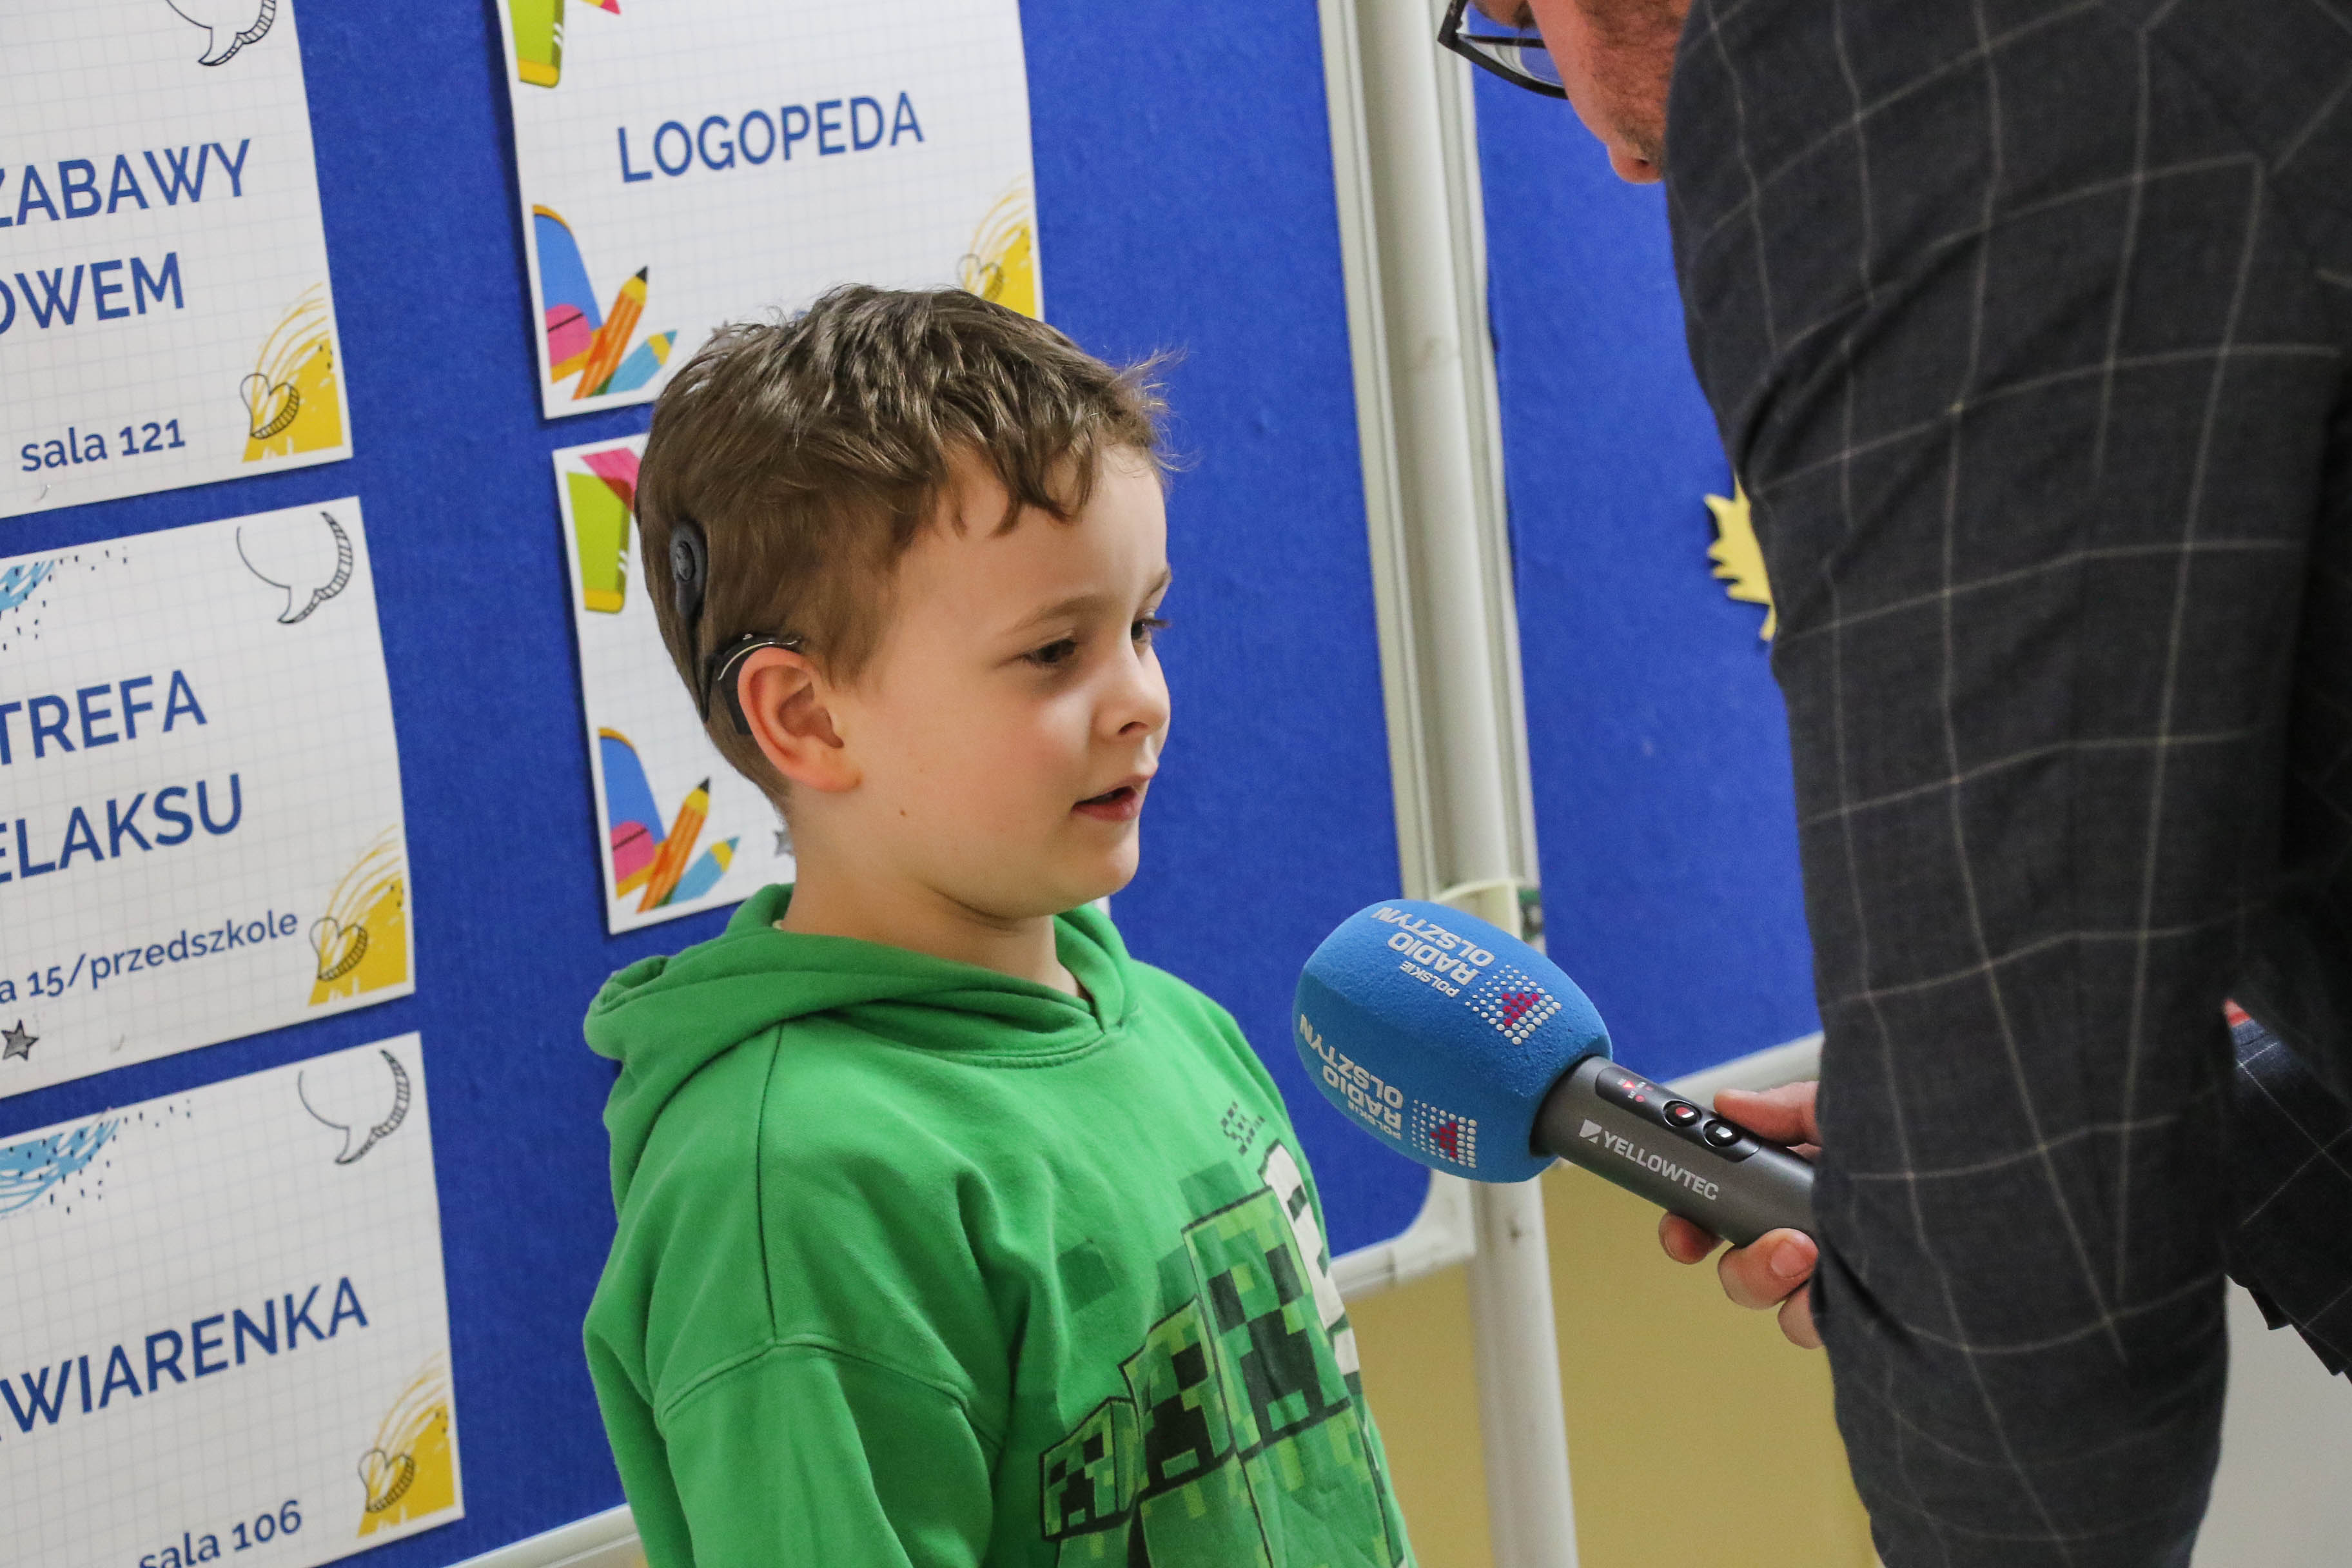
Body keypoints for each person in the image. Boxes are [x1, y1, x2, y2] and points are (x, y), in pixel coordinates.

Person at [1438, 1, 2352, 1562]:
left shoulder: (1887, 49)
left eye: (1523, 15)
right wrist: (2177, 1135)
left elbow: (2028, 1307)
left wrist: (1970, 1195)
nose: (1617, 152)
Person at [579, 286, 1416, 1568]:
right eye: (1052, 653)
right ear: (807, 718)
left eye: (1143, 626)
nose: (1142, 699)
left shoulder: (1176, 1029)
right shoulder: (793, 1188)